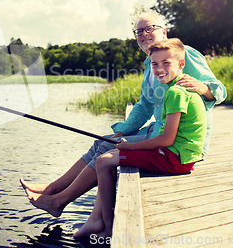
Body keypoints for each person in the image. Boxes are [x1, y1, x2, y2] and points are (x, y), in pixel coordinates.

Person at [20, 11, 226, 217]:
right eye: (138, 31)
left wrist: (201, 86)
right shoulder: (150, 65)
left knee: (106, 147)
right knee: (104, 141)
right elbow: (145, 107)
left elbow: (220, 90)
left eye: (149, 28)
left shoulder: (183, 53)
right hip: (161, 129)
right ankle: (52, 189)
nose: (143, 34)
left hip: (180, 141)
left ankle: (58, 201)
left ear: (164, 31)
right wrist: (121, 131)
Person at [74, 38, 207, 238]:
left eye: (166, 63)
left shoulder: (176, 93)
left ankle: (107, 226)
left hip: (174, 158)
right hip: (181, 156)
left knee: (103, 162)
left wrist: (131, 147)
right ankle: (100, 221)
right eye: (155, 64)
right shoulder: (180, 88)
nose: (159, 68)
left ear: (181, 64)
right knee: (109, 153)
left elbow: (166, 139)